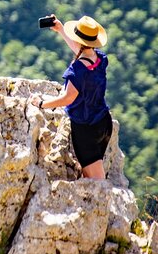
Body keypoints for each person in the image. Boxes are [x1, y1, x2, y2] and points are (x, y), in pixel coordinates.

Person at [30, 15, 112, 179]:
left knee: (97, 180)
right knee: (90, 175)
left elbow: (68, 98)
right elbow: (82, 53)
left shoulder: (77, 71)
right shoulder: (100, 59)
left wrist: (41, 104)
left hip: (86, 128)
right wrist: (60, 30)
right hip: (103, 123)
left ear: (78, 38)